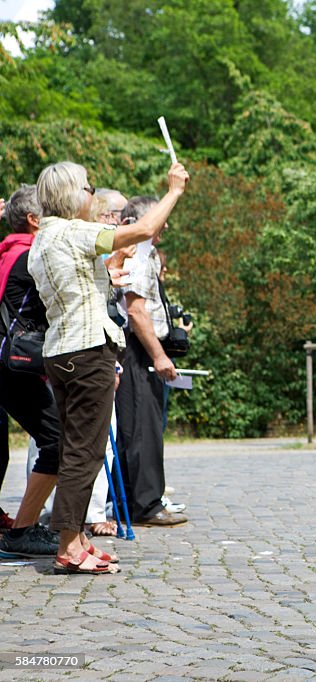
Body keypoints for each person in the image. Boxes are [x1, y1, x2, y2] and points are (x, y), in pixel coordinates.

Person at [28, 160, 189, 574]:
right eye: (87, 188)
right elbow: (142, 230)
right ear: (70, 195)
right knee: (86, 450)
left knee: (74, 445)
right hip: (87, 351)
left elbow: (78, 281)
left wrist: (110, 268)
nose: (91, 195)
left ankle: (77, 535)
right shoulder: (75, 230)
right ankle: (68, 543)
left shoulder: (43, 238)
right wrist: (172, 191)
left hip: (60, 350)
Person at [114, 196, 188, 527]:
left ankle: (143, 499)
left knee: (146, 424)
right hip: (137, 349)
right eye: (160, 218)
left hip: (141, 346)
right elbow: (136, 310)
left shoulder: (146, 254)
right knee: (142, 426)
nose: (166, 224)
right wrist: (158, 354)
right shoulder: (140, 255)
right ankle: (144, 504)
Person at [0, 185, 63, 558]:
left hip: (7, 363)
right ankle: (23, 531)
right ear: (34, 220)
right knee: (57, 439)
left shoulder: (9, 251)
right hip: (16, 365)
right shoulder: (30, 257)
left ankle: (23, 527)